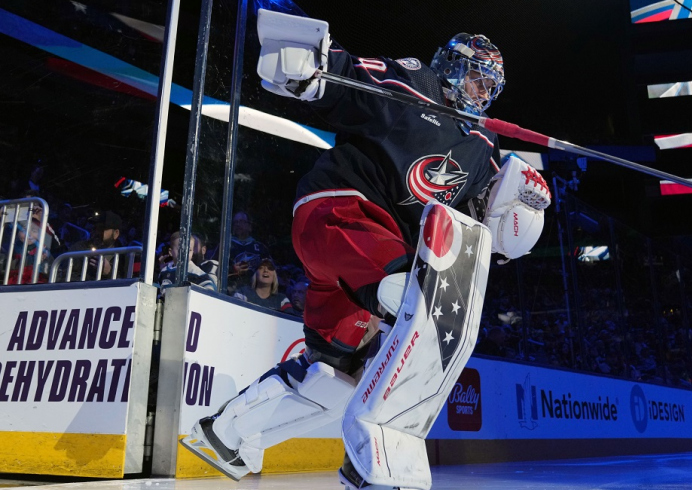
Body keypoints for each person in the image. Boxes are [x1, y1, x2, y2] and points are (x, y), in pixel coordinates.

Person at [181, 10, 549, 490]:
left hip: (364, 258)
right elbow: (350, 78)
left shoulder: (481, 147)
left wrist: (522, 209)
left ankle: (225, 436)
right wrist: (312, 70)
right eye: (478, 80)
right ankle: (380, 453)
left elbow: (486, 232)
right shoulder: (415, 82)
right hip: (341, 213)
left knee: (337, 374)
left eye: (490, 88)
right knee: (421, 308)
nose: (482, 94)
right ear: (454, 68)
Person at [207, 211, 271, 294]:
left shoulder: (260, 247)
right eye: (235, 222)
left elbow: (271, 270)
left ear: (249, 226)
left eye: (241, 221)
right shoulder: (225, 245)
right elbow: (212, 269)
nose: (238, 224)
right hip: (231, 291)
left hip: (256, 294)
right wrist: (232, 270)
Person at [68, 210, 128, 280]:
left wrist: (109, 272)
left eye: (102, 229)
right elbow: (65, 274)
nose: (97, 232)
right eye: (95, 228)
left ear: (116, 233)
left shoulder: (123, 256)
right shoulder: (80, 248)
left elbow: (126, 284)